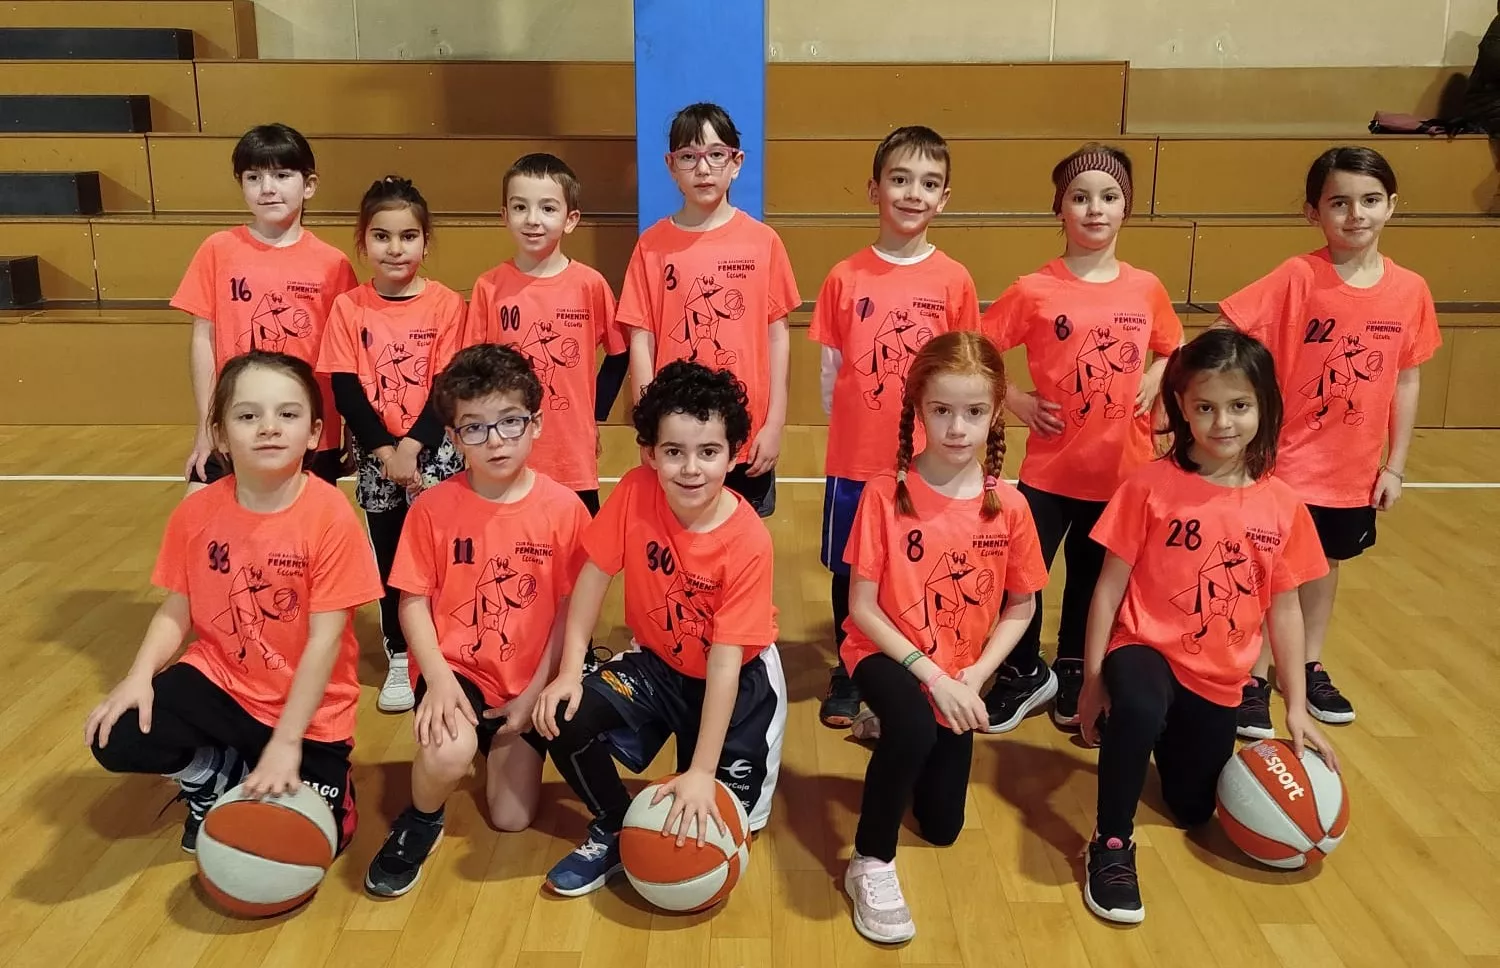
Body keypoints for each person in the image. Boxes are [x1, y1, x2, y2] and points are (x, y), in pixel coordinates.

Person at [1076, 328, 1340, 925]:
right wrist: (1094, 680)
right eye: (1205, 407)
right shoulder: (1149, 486)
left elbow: (1287, 610)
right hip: (1143, 648)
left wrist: (1295, 705)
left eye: (1239, 405)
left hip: (1219, 680)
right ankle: (1112, 844)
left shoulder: (1284, 506)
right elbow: (1108, 588)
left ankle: (1164, 735)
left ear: (1264, 406)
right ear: (1182, 410)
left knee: (1194, 809)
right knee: (1140, 703)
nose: (1223, 422)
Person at [84, 351, 381, 853]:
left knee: (314, 843)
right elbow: (177, 608)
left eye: (287, 414)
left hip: (307, 709)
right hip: (223, 683)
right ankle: (213, 775)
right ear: (220, 434)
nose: (268, 427)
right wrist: (138, 676)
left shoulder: (330, 517)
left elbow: (325, 640)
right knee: (116, 732)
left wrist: (288, 743)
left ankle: (298, 773)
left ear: (313, 433)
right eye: (248, 416)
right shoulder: (196, 512)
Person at [531, 361, 786, 897]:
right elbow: (592, 580)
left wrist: (699, 772)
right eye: (674, 452)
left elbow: (723, 663)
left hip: (738, 686)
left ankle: (707, 779)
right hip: (659, 663)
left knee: (721, 831)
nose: (690, 469)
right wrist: (569, 672)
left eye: (709, 452)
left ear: (735, 453)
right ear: (651, 453)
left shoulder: (748, 543)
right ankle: (616, 825)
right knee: (560, 713)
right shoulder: (634, 490)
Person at [1218, 146, 1441, 736]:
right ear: (1312, 211)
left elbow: (1407, 376)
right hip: (1284, 463)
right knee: (1269, 570)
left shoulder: (1411, 290)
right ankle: (1254, 676)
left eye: (1370, 201)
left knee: (1324, 567)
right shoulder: (1298, 275)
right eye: (1339, 203)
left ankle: (1307, 667)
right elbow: (1228, 331)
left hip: (1354, 470)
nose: (1356, 215)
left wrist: (1395, 465)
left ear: (1392, 206)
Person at [838, 331, 1045, 943]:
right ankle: (869, 861)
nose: (958, 428)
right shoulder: (885, 494)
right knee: (915, 724)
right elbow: (862, 608)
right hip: (882, 650)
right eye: (942, 410)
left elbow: (1022, 605)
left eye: (975, 412)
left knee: (942, 825)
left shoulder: (1009, 507)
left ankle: (898, 726)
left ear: (996, 413)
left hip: (959, 671)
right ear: (919, 410)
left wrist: (973, 678)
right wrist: (932, 680)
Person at [363, 344, 591, 897]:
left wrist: (535, 690)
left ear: (535, 424)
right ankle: (421, 818)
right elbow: (411, 602)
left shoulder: (565, 510)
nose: (495, 441)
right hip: (455, 667)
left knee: (511, 818)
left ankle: (492, 739)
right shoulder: (433, 508)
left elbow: (568, 610)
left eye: (510, 422)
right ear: (454, 436)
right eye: (475, 428)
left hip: (526, 676)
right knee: (447, 752)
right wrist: (437, 679)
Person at [980, 143, 1181, 734]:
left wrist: (1154, 373)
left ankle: (1072, 667)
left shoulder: (1146, 288)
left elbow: (1172, 346)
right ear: (1060, 209)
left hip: (1122, 471)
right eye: (1081, 197)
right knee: (1021, 574)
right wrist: (1014, 401)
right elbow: (981, 349)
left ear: (1127, 208)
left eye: (1109, 197)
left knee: (1093, 582)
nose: (1095, 209)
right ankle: (1022, 670)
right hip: (1049, 469)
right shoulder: (1035, 288)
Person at [810, 125, 981, 730]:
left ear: (945, 198)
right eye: (900, 180)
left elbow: (964, 371)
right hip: (856, 459)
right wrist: (859, 429)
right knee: (849, 568)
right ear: (873, 189)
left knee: (911, 567)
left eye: (928, 183)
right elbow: (833, 373)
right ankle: (849, 668)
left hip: (927, 462)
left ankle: (909, 662)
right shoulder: (844, 276)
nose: (913, 194)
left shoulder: (955, 280)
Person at [318, 176, 466, 713]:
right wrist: (385, 450)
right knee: (388, 555)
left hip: (435, 454)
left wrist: (414, 447)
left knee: (442, 553)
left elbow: (448, 380)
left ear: (426, 243)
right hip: (379, 458)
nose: (395, 248)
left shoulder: (448, 304)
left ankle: (446, 648)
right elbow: (345, 387)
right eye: (382, 237)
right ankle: (401, 654)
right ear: (363, 243)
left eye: (408, 237)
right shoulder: (348, 308)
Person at [618, 102, 800, 519]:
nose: (703, 168)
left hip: (744, 432)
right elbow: (640, 341)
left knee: (740, 540)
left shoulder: (763, 242)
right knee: (673, 539)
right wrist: (648, 425)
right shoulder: (652, 246)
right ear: (671, 165)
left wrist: (774, 426)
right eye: (689, 156)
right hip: (676, 432)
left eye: (716, 155)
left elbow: (778, 337)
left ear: (735, 163)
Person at [172, 123, 358, 491]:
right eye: (254, 177)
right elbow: (203, 340)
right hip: (236, 422)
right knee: (203, 519)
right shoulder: (217, 249)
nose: (268, 188)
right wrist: (207, 424)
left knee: (302, 534)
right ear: (240, 183)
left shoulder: (333, 264)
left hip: (308, 430)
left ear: (309, 185)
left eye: (282, 175)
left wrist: (350, 429)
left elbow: (346, 356)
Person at [464, 152, 625, 516]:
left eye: (548, 209)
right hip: (504, 452)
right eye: (520, 207)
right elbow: (472, 370)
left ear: (571, 220)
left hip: (572, 459)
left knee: (579, 563)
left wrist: (594, 415)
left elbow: (619, 353)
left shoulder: (590, 284)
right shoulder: (489, 287)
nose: (533, 220)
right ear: (504, 215)